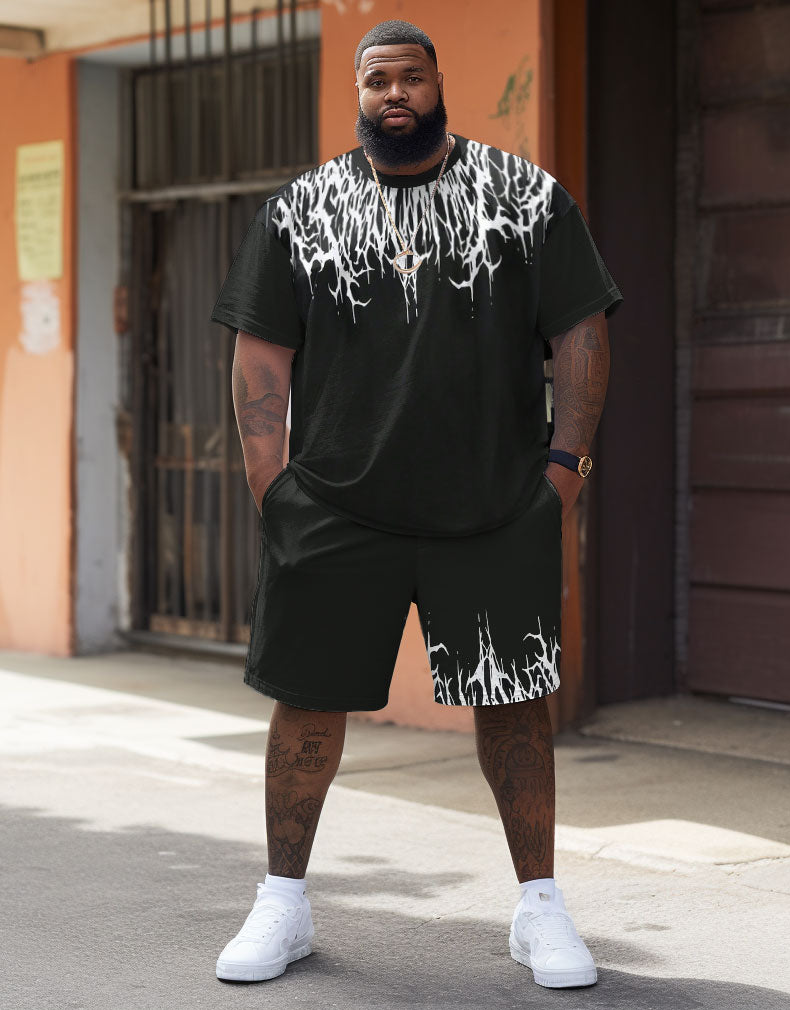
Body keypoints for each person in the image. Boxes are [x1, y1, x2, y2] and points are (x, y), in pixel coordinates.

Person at [210, 19, 622, 991]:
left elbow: (581, 332)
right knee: (307, 702)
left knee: (513, 702)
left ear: (439, 83)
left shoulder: (524, 197)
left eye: (411, 77)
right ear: (358, 94)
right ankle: (282, 900)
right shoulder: (302, 208)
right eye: (376, 80)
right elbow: (260, 353)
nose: (393, 93)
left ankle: (540, 906)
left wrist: (563, 473)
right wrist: (273, 489)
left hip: (493, 505)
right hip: (334, 507)